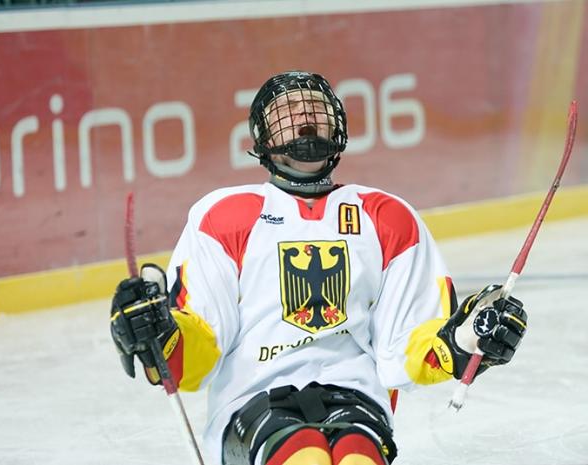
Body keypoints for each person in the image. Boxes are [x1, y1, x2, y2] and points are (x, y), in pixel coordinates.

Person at [109, 71, 528, 465]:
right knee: (302, 453)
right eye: (289, 113)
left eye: (315, 111)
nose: (305, 120)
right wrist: (162, 336)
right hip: (252, 399)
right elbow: (201, 346)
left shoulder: (389, 217)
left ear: (338, 129)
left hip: (357, 396)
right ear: (262, 137)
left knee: (357, 454)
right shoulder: (223, 217)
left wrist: (466, 336)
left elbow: (406, 346)